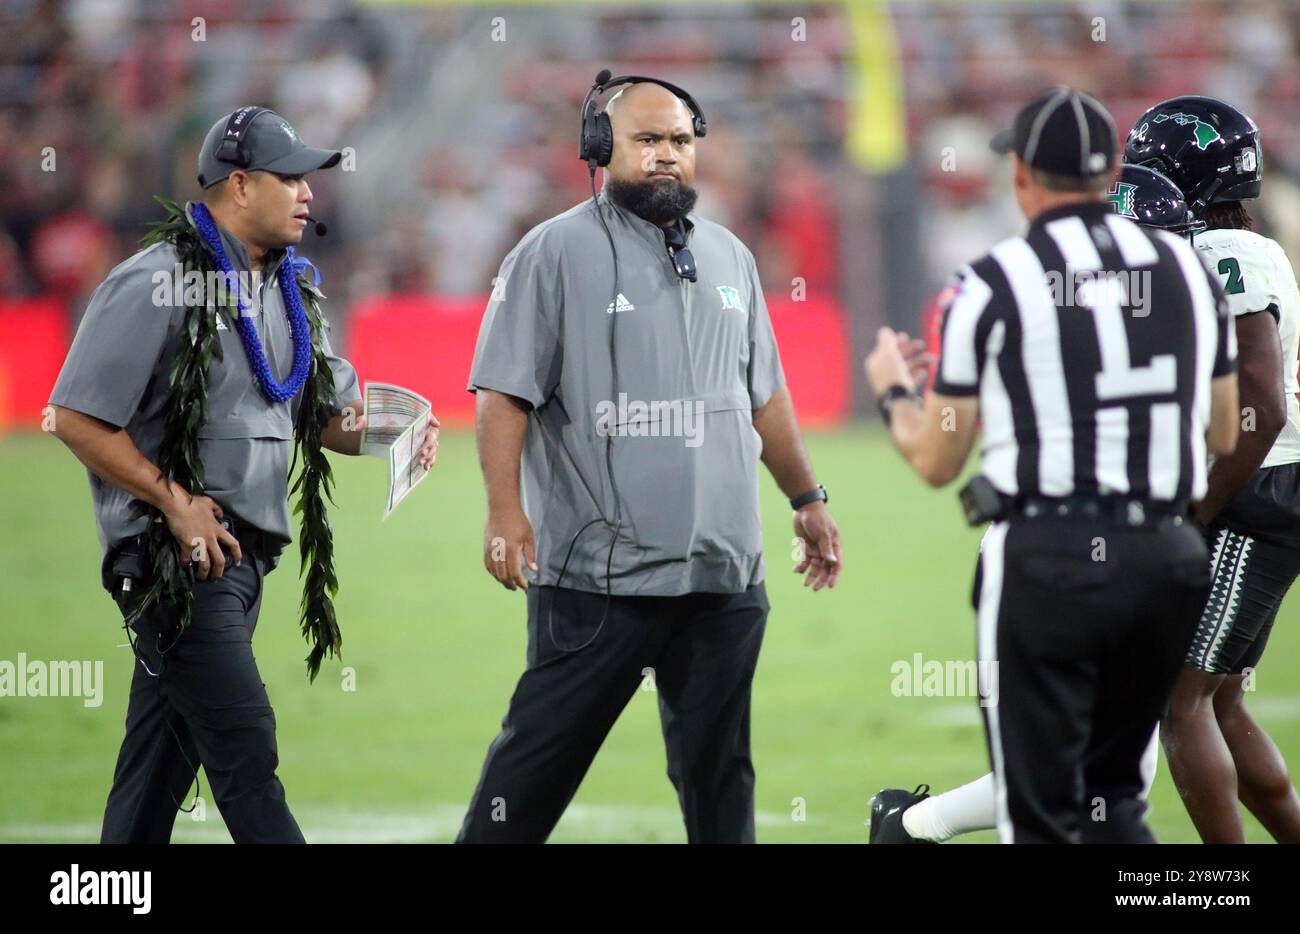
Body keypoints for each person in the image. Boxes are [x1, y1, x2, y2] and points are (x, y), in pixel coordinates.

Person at [457, 73, 841, 844]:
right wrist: (506, 512)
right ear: (601, 148)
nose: (667, 155)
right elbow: (503, 394)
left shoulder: (731, 256)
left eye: (680, 141)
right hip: (600, 585)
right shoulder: (552, 252)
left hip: (724, 581)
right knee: (528, 781)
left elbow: (764, 397)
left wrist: (807, 499)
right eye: (648, 140)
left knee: (720, 782)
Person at [48, 107, 438, 843]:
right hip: (175, 562)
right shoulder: (156, 280)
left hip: (246, 560)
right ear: (238, 185)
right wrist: (176, 504)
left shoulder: (291, 292)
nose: (308, 193)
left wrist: (398, 426)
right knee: (245, 748)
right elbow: (73, 416)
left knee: (154, 777)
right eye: (290, 177)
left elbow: (316, 413)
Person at [864, 87, 1238, 843]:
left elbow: (938, 459)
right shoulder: (1189, 272)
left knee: (1039, 809)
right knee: (1116, 800)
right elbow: (1226, 429)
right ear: (1111, 177)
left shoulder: (991, 281)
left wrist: (893, 391)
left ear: (1023, 175)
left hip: (1049, 557)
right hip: (1167, 556)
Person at [1129, 96, 1300, 844]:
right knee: (1221, 700)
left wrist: (1196, 509)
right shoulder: (1240, 247)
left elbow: (1261, 401)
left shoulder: (1227, 256)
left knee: (1180, 700)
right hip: (1265, 485)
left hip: (1255, 491)